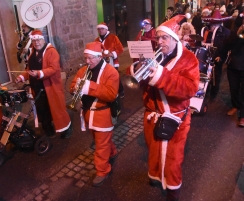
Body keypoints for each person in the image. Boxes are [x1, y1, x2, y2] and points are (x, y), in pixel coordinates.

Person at [127, 15, 200, 200]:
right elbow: (140, 77)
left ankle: (173, 190)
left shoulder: (189, 59)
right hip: (153, 114)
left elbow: (189, 88)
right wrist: (136, 69)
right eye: (158, 38)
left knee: (173, 159)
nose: (159, 42)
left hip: (175, 118)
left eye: (164, 38)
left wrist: (161, 75)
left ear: (174, 38)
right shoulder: (155, 54)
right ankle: (155, 176)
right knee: (153, 150)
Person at [69, 42, 119, 187]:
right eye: (86, 58)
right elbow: (72, 86)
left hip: (103, 114)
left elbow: (111, 94)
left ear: (99, 56)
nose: (87, 61)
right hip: (87, 112)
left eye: (90, 58)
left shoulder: (111, 72)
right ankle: (113, 152)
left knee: (100, 146)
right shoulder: (83, 70)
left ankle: (102, 171)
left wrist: (88, 87)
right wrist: (75, 88)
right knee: (101, 141)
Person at [15, 30, 73, 139]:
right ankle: (48, 130)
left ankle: (66, 128)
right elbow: (29, 69)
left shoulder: (52, 52)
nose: (37, 43)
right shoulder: (32, 52)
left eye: (38, 40)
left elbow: (54, 68)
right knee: (43, 109)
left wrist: (39, 73)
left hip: (51, 87)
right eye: (34, 40)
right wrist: (22, 77)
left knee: (58, 109)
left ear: (43, 39)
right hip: (37, 88)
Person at [201, 9, 231, 99]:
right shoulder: (207, 31)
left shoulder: (226, 32)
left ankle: (213, 94)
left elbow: (226, 47)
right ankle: (205, 92)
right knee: (204, 75)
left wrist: (221, 57)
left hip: (218, 57)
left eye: (215, 23)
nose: (213, 26)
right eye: (212, 23)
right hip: (206, 56)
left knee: (216, 76)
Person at [94, 22, 125, 98]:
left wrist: (112, 54)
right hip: (101, 62)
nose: (100, 31)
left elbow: (120, 49)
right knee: (104, 77)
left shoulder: (113, 37)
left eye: (102, 29)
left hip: (112, 62)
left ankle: (121, 90)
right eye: (99, 29)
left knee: (115, 77)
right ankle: (109, 92)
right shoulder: (97, 40)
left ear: (106, 29)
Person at [223, 20, 244, 127]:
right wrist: (237, 34)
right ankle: (236, 106)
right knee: (234, 88)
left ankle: (243, 116)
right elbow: (226, 44)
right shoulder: (236, 31)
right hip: (234, 65)